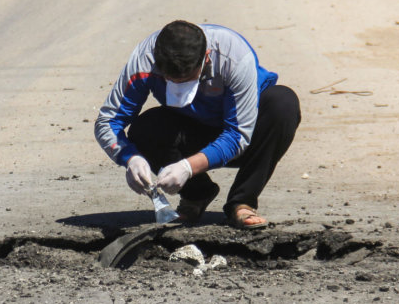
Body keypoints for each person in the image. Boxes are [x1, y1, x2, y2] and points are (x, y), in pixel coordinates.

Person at [95, 21, 300, 229]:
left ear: (207, 57)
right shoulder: (144, 60)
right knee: (146, 128)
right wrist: (130, 158)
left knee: (283, 103)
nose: (180, 86)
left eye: (188, 79)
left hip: (245, 136)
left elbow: (237, 135)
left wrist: (187, 167)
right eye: (172, 80)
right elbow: (108, 121)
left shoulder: (235, 57)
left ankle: (242, 201)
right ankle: (196, 195)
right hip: (191, 129)